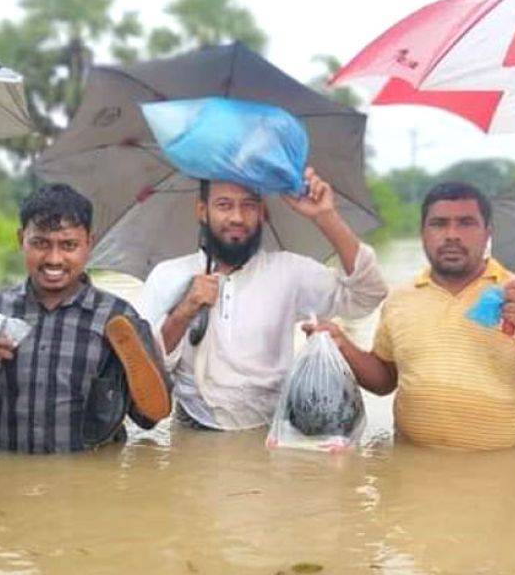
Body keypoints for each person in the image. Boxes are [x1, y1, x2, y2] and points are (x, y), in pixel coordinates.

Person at [308, 182, 515, 450]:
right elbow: (384, 381)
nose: (452, 234)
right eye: (439, 223)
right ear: (422, 233)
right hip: (409, 470)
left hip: (495, 478)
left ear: (488, 233)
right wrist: (341, 343)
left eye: (466, 223)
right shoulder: (400, 299)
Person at [133, 168, 388, 431]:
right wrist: (184, 312)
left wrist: (325, 216)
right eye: (223, 205)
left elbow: (366, 296)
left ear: (262, 212)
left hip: (272, 430)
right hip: (193, 428)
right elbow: (142, 369)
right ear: (201, 211)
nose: (237, 217)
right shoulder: (169, 275)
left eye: (249, 205)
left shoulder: (289, 271)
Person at [0, 184, 171, 454]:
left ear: (89, 242)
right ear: (21, 240)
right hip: (10, 470)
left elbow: (150, 418)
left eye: (69, 245)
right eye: (40, 243)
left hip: (89, 482)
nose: (54, 259)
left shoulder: (119, 318)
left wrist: (144, 366)